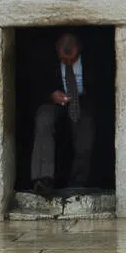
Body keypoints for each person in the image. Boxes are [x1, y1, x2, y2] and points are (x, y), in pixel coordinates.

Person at [30, 32, 96, 197]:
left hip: (83, 100)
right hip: (54, 101)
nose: (67, 62)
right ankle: (42, 179)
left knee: (86, 129)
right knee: (43, 118)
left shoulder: (94, 59)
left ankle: (78, 183)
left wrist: (84, 101)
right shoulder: (44, 58)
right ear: (56, 50)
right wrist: (51, 95)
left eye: (72, 60)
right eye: (63, 60)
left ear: (79, 50)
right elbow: (31, 85)